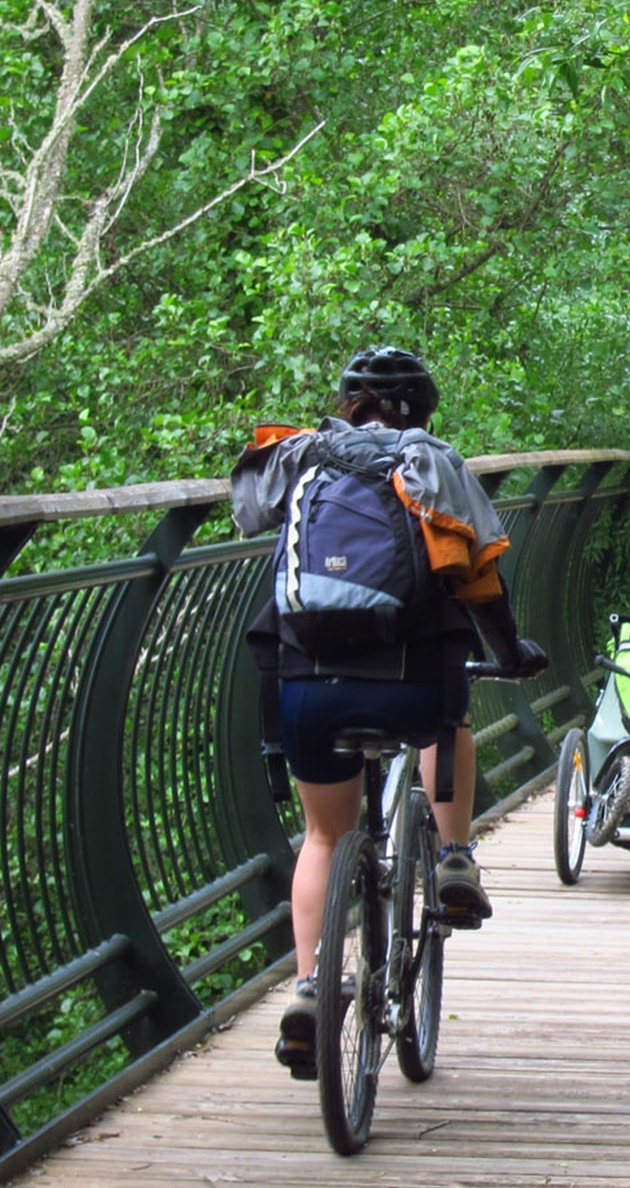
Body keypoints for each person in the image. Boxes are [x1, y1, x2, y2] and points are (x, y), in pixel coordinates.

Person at [232, 346, 548, 1076]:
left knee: (322, 835)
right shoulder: (431, 461)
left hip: (305, 679)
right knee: (449, 716)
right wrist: (510, 648)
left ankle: (311, 988)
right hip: (409, 680)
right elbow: (479, 577)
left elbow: (248, 513)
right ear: (424, 409)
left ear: (347, 404)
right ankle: (453, 857)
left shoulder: (299, 458)